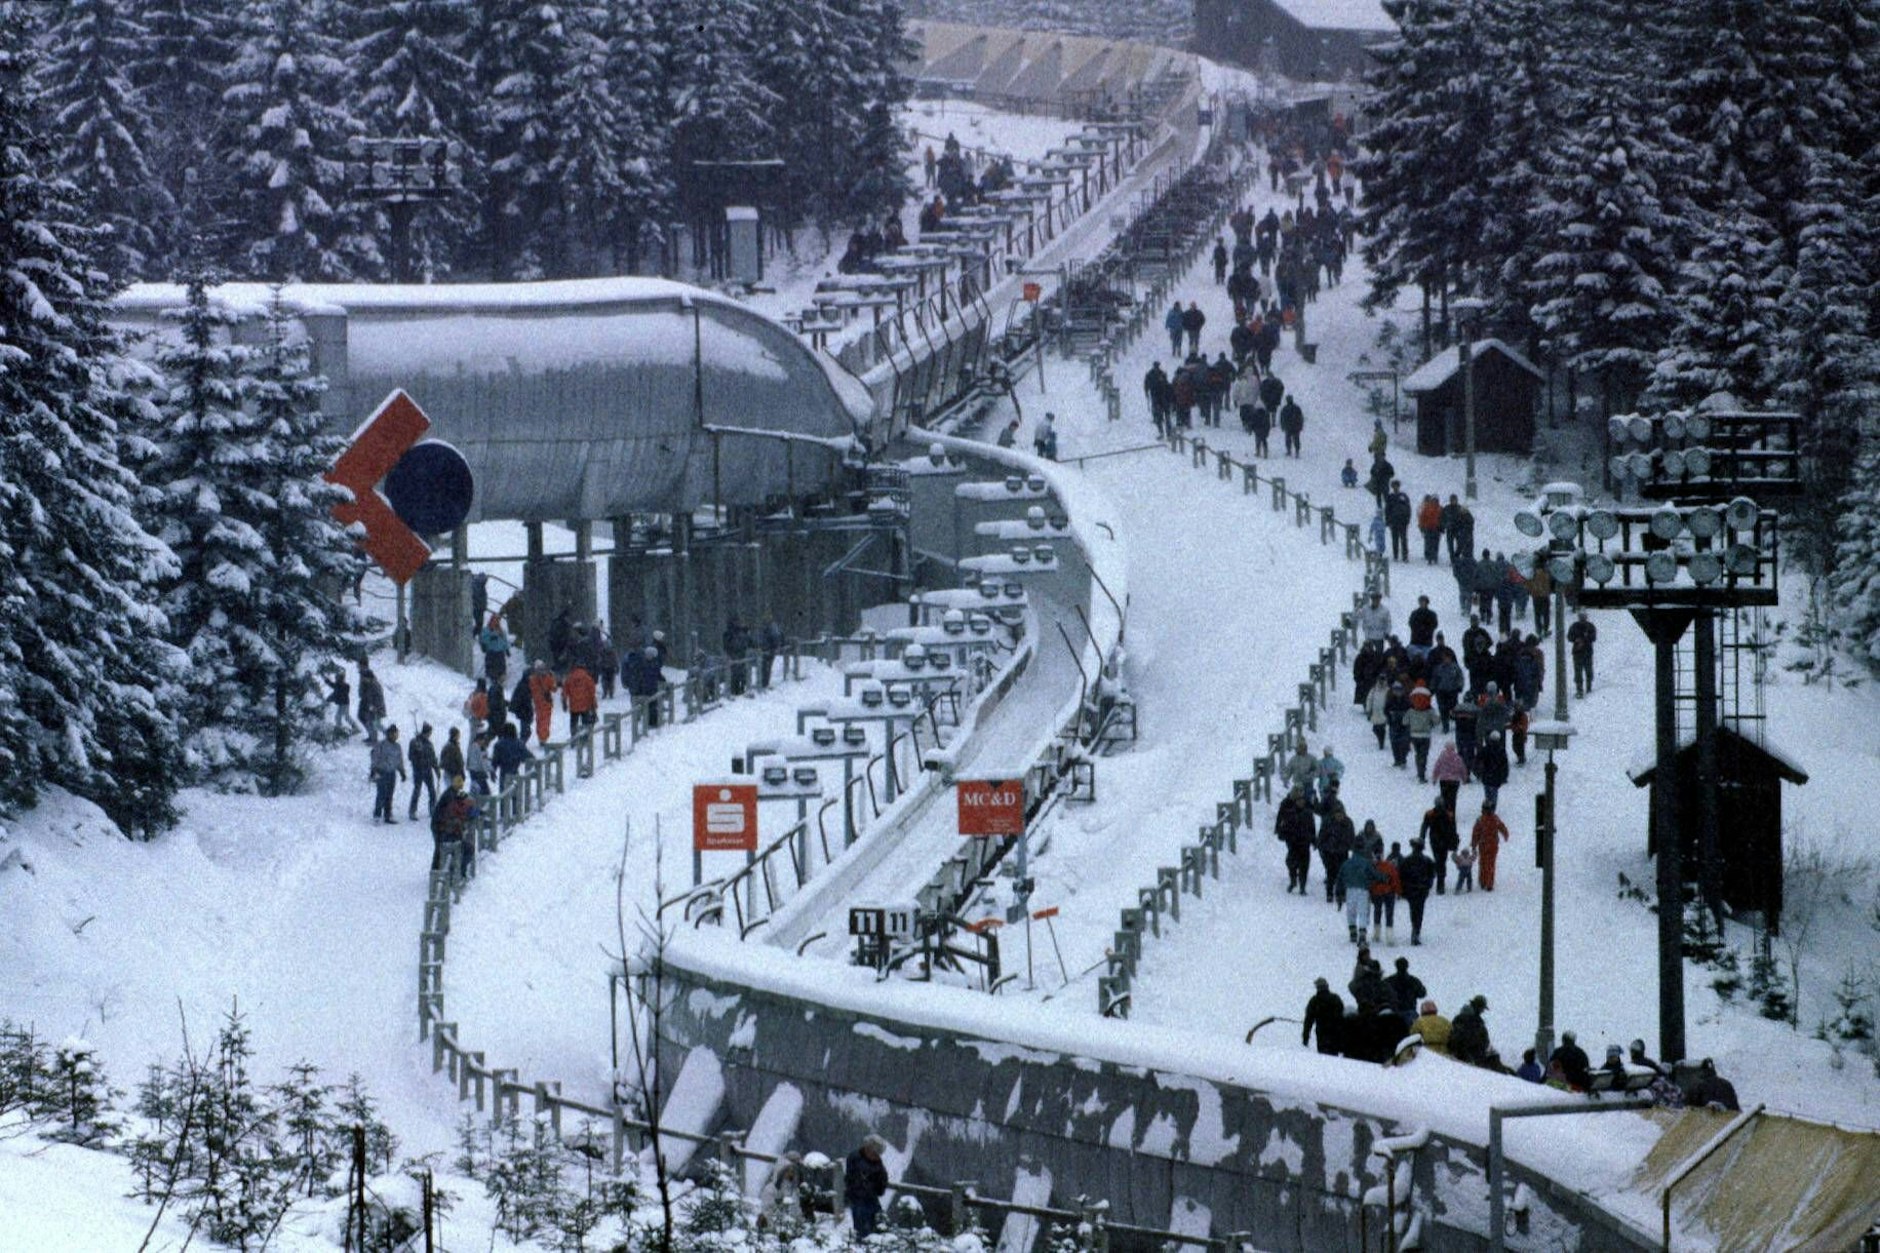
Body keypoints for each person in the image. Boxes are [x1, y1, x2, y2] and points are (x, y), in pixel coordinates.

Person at [430, 776, 479, 879]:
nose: (461, 787)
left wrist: (475, 809)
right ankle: (440, 874)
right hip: (440, 826)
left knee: (441, 849)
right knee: (440, 849)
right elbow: (455, 811)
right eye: (459, 785)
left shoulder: (455, 792)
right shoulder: (450, 796)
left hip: (444, 826)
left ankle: (440, 873)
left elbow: (466, 798)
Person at [844, 1135, 891, 1239]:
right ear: (868, 1149)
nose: (876, 1156)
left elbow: (882, 1182)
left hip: (871, 1198)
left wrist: (877, 1186)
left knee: (879, 1223)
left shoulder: (877, 1163)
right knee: (862, 1228)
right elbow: (851, 1179)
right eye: (875, 1153)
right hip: (858, 1199)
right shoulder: (855, 1158)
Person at [1338, 844, 1384, 944]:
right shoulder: (1366, 863)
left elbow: (1340, 878)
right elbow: (1374, 874)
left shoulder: (1347, 863)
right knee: (1362, 912)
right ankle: (1362, 935)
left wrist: (1338, 893)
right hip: (1363, 890)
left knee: (1351, 911)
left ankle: (1353, 933)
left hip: (1349, 890)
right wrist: (1384, 878)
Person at [1276, 784, 1317, 893]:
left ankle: (1302, 886)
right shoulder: (1289, 812)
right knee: (1291, 862)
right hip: (1293, 842)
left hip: (1305, 842)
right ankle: (1293, 880)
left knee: (1304, 865)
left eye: (1302, 800)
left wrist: (1314, 840)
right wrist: (1281, 833)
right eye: (1299, 800)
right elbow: (1283, 824)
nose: (1301, 802)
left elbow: (1312, 828)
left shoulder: (1308, 814)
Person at [1317, 798, 1356, 904]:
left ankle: (1341, 893)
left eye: (1340, 813)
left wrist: (1351, 847)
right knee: (1330, 874)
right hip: (1330, 852)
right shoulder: (1328, 822)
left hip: (1342, 852)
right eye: (1337, 813)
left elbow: (1351, 837)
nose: (1339, 816)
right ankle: (1329, 893)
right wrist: (1322, 846)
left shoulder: (1348, 823)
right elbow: (1322, 835)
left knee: (1342, 874)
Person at [1399, 838, 1437, 943]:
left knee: (1414, 911)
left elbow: (1401, 876)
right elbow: (1432, 875)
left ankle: (1415, 930)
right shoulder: (1428, 861)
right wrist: (1427, 886)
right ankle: (1416, 931)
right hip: (1421, 890)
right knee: (1419, 912)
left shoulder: (1406, 861)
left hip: (1411, 890)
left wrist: (1403, 890)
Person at [369, 725, 405, 823]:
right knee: (381, 794)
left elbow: (399, 760)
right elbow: (375, 757)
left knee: (389, 794)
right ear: (388, 734)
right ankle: (377, 815)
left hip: (391, 773)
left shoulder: (397, 747)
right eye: (393, 734)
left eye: (396, 734)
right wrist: (373, 770)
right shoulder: (381, 745)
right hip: (381, 772)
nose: (395, 736)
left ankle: (388, 815)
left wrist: (402, 772)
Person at [1472, 800, 1509, 891]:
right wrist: (1505, 835)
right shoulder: (1495, 819)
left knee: (1483, 863)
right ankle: (1489, 883)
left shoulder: (1480, 820)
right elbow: (1502, 827)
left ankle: (1483, 881)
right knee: (1490, 864)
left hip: (1484, 844)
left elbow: (1475, 833)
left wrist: (1474, 844)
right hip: (1492, 845)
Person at [1302, 977, 1345, 1054]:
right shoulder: (1335, 998)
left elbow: (1308, 1021)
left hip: (1322, 1034)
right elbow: (1342, 1018)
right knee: (1334, 1059)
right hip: (1335, 1034)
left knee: (1324, 1057)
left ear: (1317, 988)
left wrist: (1305, 1037)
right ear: (1327, 986)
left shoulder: (1314, 1001)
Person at [1369, 840, 1401, 942]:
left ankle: (1376, 934)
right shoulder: (1389, 866)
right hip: (1389, 892)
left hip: (1377, 892)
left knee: (1377, 912)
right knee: (1389, 913)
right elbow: (1395, 878)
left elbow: (1369, 881)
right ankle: (1389, 936)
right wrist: (1398, 891)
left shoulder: (1372, 867)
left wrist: (1370, 892)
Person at [490, 722, 533, 796]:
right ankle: (515, 807)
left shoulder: (498, 745)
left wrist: (492, 772)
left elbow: (495, 761)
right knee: (516, 795)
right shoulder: (519, 743)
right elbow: (529, 757)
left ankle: (503, 807)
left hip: (504, 773)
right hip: (515, 771)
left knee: (503, 795)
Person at [1405, 683, 1438, 781]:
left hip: (1414, 735)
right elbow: (1436, 721)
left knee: (1418, 753)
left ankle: (1419, 771)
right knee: (1424, 754)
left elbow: (1404, 721)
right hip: (1425, 735)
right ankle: (1422, 773)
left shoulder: (1411, 710)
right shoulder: (1429, 710)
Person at [406, 723, 439, 821]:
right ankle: (412, 811)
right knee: (417, 790)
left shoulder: (429, 744)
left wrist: (436, 769)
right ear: (425, 732)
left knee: (432, 791)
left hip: (428, 770)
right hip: (418, 770)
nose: (430, 735)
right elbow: (410, 757)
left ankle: (432, 809)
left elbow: (433, 758)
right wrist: (417, 752)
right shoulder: (414, 742)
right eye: (429, 733)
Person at [1449, 995, 1491, 1066]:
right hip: (1470, 1055)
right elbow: (1482, 1039)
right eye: (1482, 1008)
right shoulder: (1476, 1021)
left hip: (1459, 1052)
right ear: (1479, 1007)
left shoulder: (1459, 1018)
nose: (1483, 1011)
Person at [1384, 956, 1425, 1028]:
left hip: (1394, 1012)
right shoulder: (1413, 980)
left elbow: (1382, 994)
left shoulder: (1389, 981)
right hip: (1410, 1011)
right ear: (1407, 966)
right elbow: (1422, 993)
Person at [528, 660, 559, 743]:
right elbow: (554, 688)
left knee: (539, 720)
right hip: (546, 703)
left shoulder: (532, 679)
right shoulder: (547, 677)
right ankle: (543, 738)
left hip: (537, 703)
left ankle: (540, 737)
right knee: (545, 721)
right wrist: (553, 678)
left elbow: (530, 690)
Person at [563, 661, 599, 734]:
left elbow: (564, 692)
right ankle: (585, 740)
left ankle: (574, 738)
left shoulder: (570, 678)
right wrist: (594, 706)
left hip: (574, 706)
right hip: (585, 706)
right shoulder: (587, 678)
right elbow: (592, 693)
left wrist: (564, 703)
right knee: (585, 724)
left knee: (573, 723)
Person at [1568, 609, 1597, 697]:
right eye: (1581, 616)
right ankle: (1579, 689)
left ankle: (1589, 687)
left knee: (1588, 670)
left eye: (1583, 616)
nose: (1582, 618)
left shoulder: (1590, 626)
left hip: (1587, 651)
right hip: (1577, 652)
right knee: (1578, 672)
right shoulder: (1574, 626)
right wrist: (1576, 639)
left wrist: (1585, 639)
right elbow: (1569, 637)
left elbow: (1593, 637)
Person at [723, 618, 754, 696]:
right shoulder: (740, 633)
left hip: (734, 655)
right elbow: (749, 643)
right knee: (739, 673)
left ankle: (736, 689)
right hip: (739, 655)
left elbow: (727, 646)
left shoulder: (730, 633)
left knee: (736, 673)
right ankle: (739, 688)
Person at [358, 660, 386, 744]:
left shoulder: (375, 685)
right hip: (372, 708)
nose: (363, 680)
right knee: (372, 723)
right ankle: (373, 738)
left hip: (377, 709)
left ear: (369, 678)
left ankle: (389, 735)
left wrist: (376, 707)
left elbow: (380, 698)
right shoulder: (369, 684)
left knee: (377, 725)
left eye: (365, 678)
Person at [1384, 480, 1412, 562]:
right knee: (1395, 539)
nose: (1395, 488)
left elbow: (1408, 508)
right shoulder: (1390, 497)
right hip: (1394, 521)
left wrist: (1408, 518)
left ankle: (1405, 556)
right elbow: (1387, 510)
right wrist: (1388, 521)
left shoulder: (1403, 496)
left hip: (1403, 521)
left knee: (1404, 539)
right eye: (1394, 486)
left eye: (1397, 486)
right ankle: (1395, 555)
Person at [479, 617, 511, 685]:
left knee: (501, 668)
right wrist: (491, 636)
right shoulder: (486, 630)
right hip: (491, 652)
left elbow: (504, 641)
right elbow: (483, 640)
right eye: (494, 620)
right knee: (492, 668)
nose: (496, 622)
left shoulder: (501, 631)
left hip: (500, 653)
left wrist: (507, 649)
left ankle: (500, 681)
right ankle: (493, 680)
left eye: (497, 621)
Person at [1143, 362, 1172, 435]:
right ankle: (1164, 432)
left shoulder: (1151, 374)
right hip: (1159, 397)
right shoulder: (1159, 374)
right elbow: (1146, 385)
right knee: (1162, 415)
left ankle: (1165, 432)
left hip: (1159, 397)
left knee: (1162, 415)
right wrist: (1146, 392)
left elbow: (1146, 385)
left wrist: (1146, 392)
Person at [1416, 494, 1445, 565]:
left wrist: (1442, 527)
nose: (1435, 501)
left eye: (1436, 500)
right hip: (1428, 528)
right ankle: (1429, 557)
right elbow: (1422, 517)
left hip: (1437, 528)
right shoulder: (1427, 508)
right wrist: (1421, 526)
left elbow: (1443, 519)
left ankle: (1435, 556)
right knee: (1428, 543)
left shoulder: (1440, 509)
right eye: (1433, 500)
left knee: (1436, 543)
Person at [758, 617, 786, 689]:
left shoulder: (770, 629)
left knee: (765, 666)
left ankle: (764, 683)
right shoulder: (775, 629)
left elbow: (775, 638)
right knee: (767, 666)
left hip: (768, 649)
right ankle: (765, 682)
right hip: (770, 649)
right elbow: (781, 637)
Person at [327, 667, 354, 735]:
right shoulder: (339, 685)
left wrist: (330, 699)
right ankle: (339, 728)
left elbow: (336, 693)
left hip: (344, 704)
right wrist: (327, 681)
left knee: (343, 716)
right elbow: (333, 686)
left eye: (337, 678)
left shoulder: (343, 686)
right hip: (342, 703)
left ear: (340, 679)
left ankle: (353, 728)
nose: (336, 679)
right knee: (340, 716)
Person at [466, 731, 491, 796]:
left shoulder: (480, 747)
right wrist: (489, 770)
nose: (484, 742)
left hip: (478, 773)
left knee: (483, 792)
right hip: (477, 774)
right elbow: (482, 762)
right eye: (483, 740)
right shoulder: (475, 747)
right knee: (483, 793)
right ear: (479, 739)